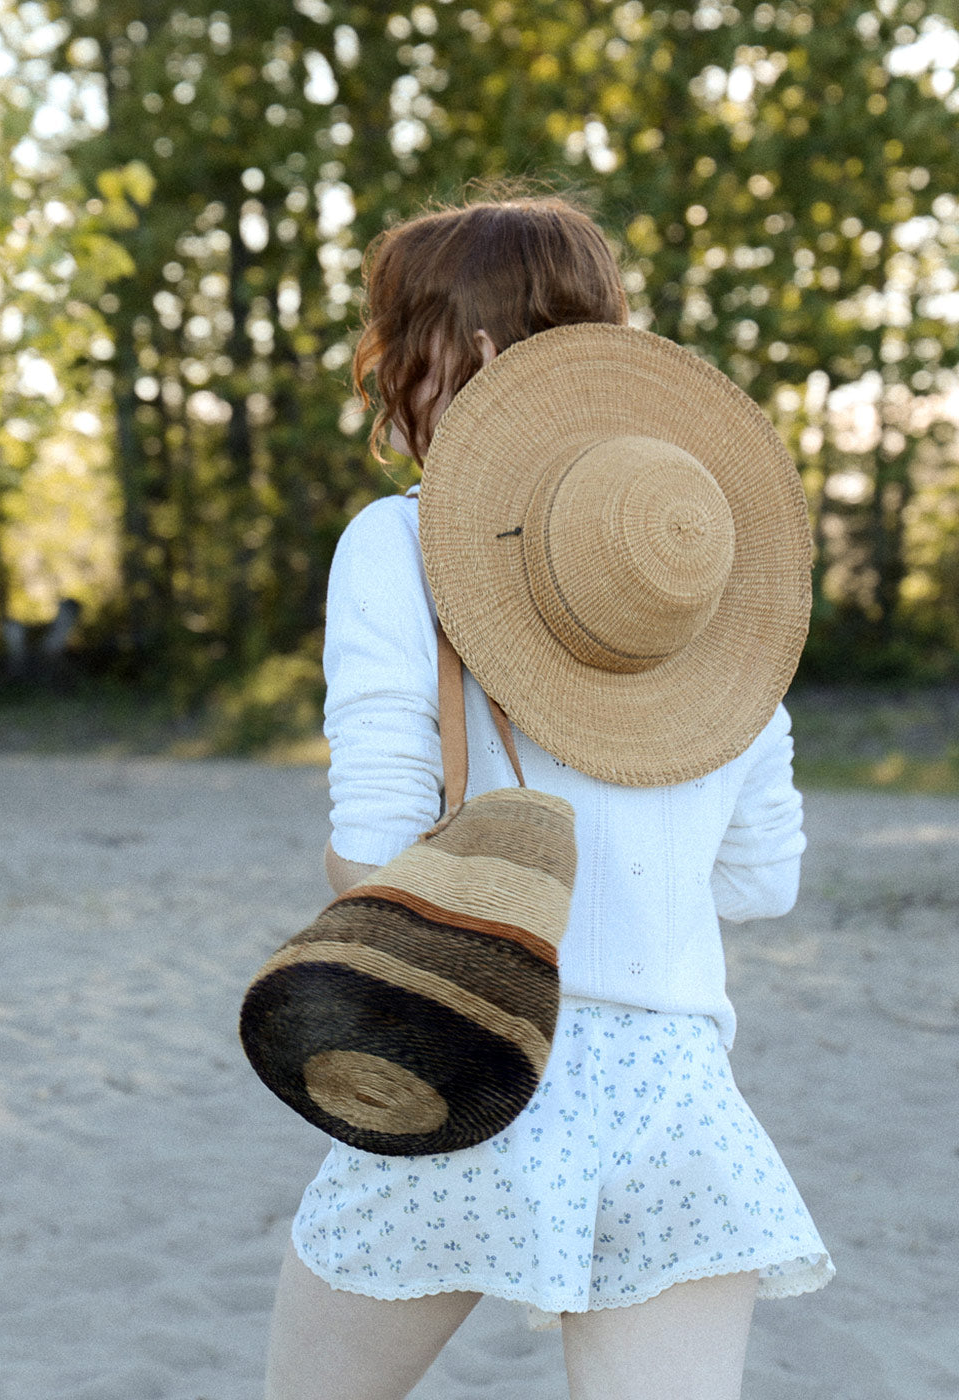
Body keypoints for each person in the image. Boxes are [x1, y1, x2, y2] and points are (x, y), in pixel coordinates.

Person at [263, 191, 833, 1400]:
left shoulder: (399, 542)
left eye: (400, 348)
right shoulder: (705, 567)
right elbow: (762, 881)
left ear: (462, 355)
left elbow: (374, 847)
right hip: (673, 1093)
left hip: (475, 1046)